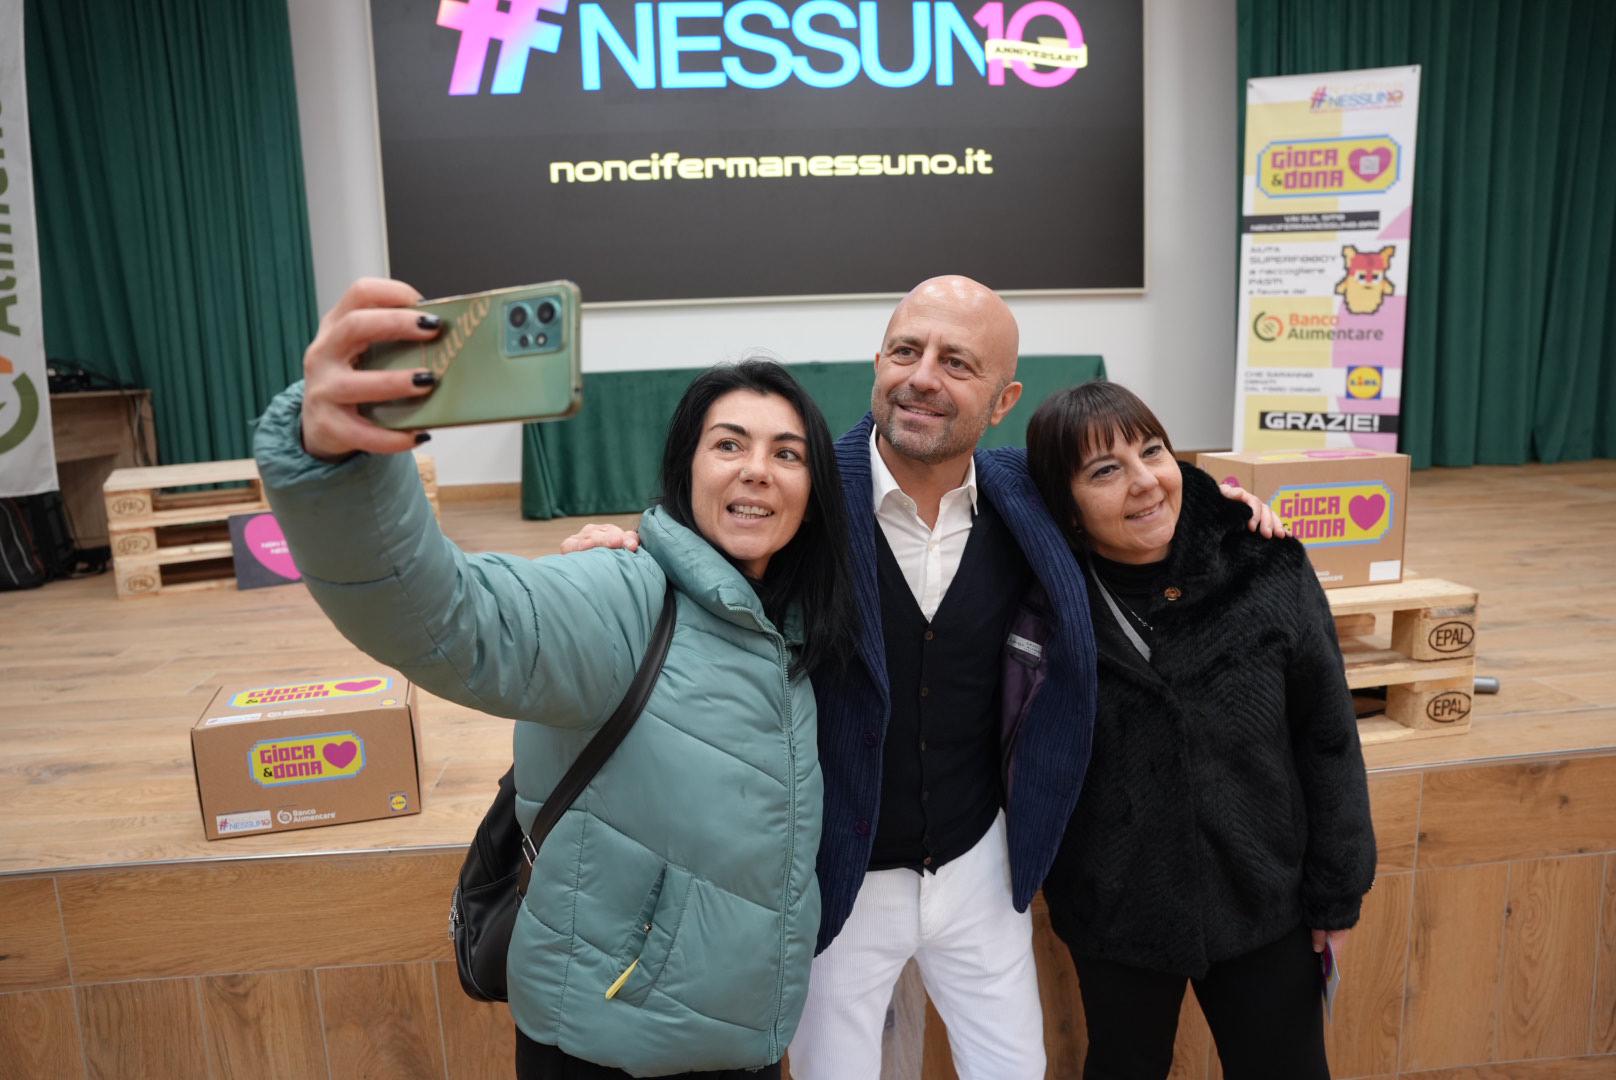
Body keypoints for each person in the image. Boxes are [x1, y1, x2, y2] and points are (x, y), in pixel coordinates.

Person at [565, 276, 1285, 1078]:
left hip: (983, 867)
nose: (922, 377)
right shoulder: (811, 496)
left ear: (1003, 400)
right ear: (878, 363)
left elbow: (1130, 500)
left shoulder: (1025, 496)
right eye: (906, 351)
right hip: (840, 875)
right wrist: (631, 548)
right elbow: (711, 538)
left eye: (956, 363)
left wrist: (1226, 515)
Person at [253, 278, 858, 1079]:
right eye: (728, 445)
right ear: (685, 470)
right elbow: (451, 620)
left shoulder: (802, 632)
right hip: (605, 1047)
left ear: (813, 494)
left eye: (787, 454)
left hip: (745, 1046)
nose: (757, 470)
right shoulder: (622, 595)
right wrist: (335, 462)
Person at [1023, 380, 1376, 1080]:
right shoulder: (1043, 596)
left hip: (1263, 893)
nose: (1145, 481)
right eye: (1105, 470)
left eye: (1153, 451)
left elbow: (1328, 735)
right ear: (1064, 505)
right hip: (1116, 904)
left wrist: (1338, 890)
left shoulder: (1265, 564)